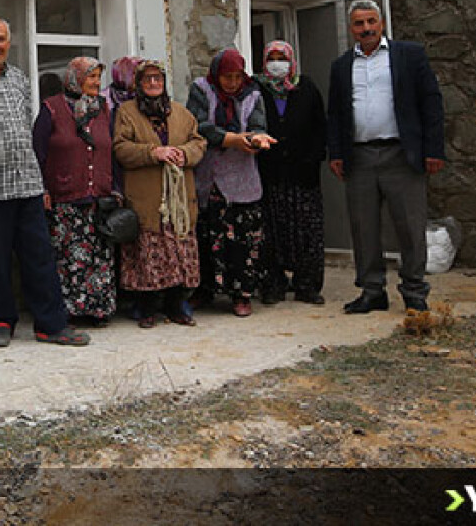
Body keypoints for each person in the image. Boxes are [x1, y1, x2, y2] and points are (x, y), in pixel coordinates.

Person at [0, 18, 90, 348]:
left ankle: (50, 324)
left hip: (26, 184)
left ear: (9, 43)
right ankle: (0, 321)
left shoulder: (21, 80)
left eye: (0, 39)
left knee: (39, 256)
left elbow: (24, 127)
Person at [327, 0, 446, 314]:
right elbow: (336, 114)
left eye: (370, 22)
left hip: (402, 155)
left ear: (381, 24)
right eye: (359, 23)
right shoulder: (341, 66)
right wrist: (336, 153)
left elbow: (431, 103)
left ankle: (414, 291)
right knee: (363, 228)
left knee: (410, 225)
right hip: (360, 157)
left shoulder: (408, 55)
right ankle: (372, 290)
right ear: (351, 29)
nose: (366, 28)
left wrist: (433, 149)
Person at [111, 60, 206, 327]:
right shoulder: (127, 112)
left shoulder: (180, 113)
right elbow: (120, 148)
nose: (153, 84)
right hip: (147, 196)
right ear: (139, 84)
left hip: (178, 197)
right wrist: (153, 153)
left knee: (177, 250)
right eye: (148, 79)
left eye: (158, 79)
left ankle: (177, 306)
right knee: (148, 252)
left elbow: (198, 142)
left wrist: (183, 154)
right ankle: (146, 309)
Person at [187, 50, 275, 318]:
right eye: (227, 77)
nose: (233, 83)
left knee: (244, 239)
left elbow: (258, 124)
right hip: (210, 177)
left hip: (242, 177)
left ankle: (242, 294)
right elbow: (198, 126)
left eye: (237, 76)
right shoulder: (201, 90)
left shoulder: (253, 93)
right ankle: (206, 291)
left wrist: (258, 139)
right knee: (208, 235)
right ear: (217, 74)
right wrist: (230, 139)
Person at [32, 57, 116, 326]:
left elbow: (111, 148)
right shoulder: (52, 109)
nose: (96, 83)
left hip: (98, 196)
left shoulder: (103, 109)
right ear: (74, 78)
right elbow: (38, 152)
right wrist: (42, 188)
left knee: (98, 256)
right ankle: (68, 310)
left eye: (98, 77)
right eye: (91, 77)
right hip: (65, 195)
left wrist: (115, 188)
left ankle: (97, 309)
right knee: (67, 256)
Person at [255, 41, 328, 305]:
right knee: (271, 232)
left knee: (307, 232)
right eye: (271, 58)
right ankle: (274, 283)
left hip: (303, 174)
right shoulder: (257, 89)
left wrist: (313, 158)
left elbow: (320, 127)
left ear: (291, 61)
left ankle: (307, 285)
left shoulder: (306, 87)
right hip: (269, 174)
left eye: (281, 58)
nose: (277, 63)